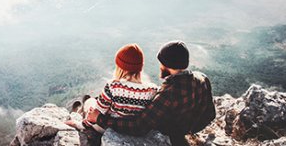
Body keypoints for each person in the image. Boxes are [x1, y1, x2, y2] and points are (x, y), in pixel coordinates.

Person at [86, 41, 216, 146]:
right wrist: (190, 128)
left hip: (170, 136)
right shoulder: (202, 78)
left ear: (166, 64)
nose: (159, 66)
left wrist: (99, 118)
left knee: (90, 103)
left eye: (161, 63)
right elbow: (210, 114)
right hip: (186, 129)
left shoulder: (167, 94)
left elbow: (139, 126)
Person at [66, 43, 159, 146]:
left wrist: (78, 124)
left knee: (90, 102)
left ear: (120, 67)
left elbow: (96, 114)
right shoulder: (153, 90)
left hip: (107, 127)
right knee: (94, 102)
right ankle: (81, 109)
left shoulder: (113, 87)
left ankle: (79, 111)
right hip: (134, 130)